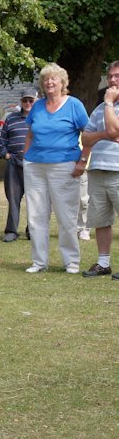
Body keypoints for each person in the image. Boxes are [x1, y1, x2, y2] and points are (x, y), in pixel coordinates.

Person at [23, 63, 89, 274]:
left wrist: (82, 160)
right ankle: (39, 262)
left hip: (64, 165)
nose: (49, 82)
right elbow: (30, 134)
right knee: (35, 216)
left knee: (66, 215)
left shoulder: (74, 105)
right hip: (35, 166)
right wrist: (25, 158)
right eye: (45, 79)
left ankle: (71, 261)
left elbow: (87, 134)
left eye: (53, 79)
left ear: (63, 82)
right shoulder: (38, 106)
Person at [80, 60, 119, 279]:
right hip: (97, 169)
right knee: (101, 219)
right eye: (110, 76)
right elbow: (85, 137)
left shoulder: (105, 104)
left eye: (117, 76)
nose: (112, 80)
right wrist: (107, 135)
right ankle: (103, 263)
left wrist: (109, 103)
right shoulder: (98, 108)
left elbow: (114, 127)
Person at [0, 89, 35, 242]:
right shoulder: (11, 118)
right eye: (25, 100)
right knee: (13, 198)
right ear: (21, 101)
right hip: (13, 162)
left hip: (34, 164)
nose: (27, 103)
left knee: (34, 199)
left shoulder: (40, 117)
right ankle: (11, 231)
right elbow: (3, 139)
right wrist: (5, 154)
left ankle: (32, 231)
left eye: (31, 100)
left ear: (36, 101)